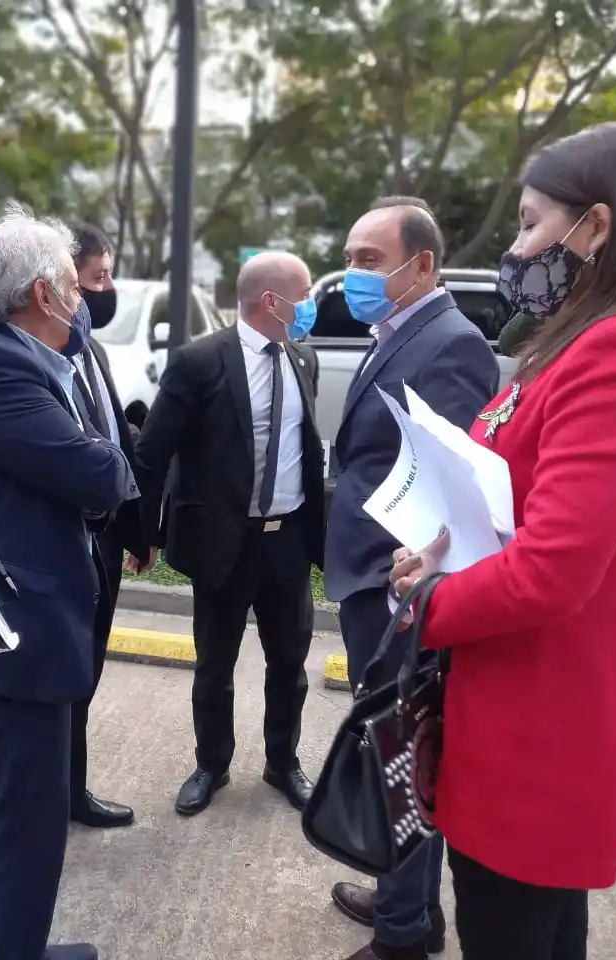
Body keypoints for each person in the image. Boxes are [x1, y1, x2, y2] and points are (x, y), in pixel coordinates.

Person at [389, 121, 616, 960]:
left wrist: (425, 599)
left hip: (544, 719)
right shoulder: (603, 336)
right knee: (543, 933)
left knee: (512, 929)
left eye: (531, 222)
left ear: (597, 226)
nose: (517, 247)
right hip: (533, 701)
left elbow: (553, 570)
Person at [0, 203, 139, 960]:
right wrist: (102, 455)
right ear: (41, 292)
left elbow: (96, 466)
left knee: (25, 817)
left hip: (27, 631)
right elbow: (104, 471)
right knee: (21, 822)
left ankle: (7, 944)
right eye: (72, 280)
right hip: (14, 647)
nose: (85, 295)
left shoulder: (27, 358)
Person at [323, 198, 498, 960]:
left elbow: (447, 488)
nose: (353, 274)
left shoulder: (450, 343)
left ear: (421, 264)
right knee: (392, 743)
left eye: (369, 260)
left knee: (401, 749)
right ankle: (409, 905)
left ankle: (403, 935)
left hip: (401, 585)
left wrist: (408, 588)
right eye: (351, 257)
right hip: (372, 574)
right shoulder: (394, 330)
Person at [135, 251, 325, 816]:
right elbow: (151, 454)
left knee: (289, 661)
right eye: (305, 292)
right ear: (272, 300)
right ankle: (211, 764)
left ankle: (282, 762)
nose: (310, 303)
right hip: (223, 541)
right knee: (214, 665)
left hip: (287, 539)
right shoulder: (199, 361)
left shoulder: (303, 359)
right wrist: (141, 534)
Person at [66, 220, 152, 829]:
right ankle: (57, 791)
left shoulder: (91, 349)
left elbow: (117, 438)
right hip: (68, 545)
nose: (108, 288)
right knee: (65, 675)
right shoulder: (34, 361)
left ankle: (72, 787)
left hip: (107, 540)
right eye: (99, 277)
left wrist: (139, 526)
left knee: (88, 669)